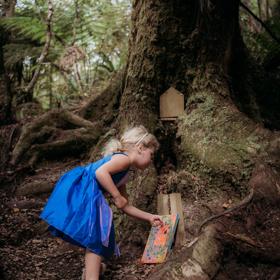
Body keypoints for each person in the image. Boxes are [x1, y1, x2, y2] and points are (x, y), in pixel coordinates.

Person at [40, 125, 163, 280]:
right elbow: (100, 172)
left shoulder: (125, 171)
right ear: (140, 148)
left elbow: (125, 206)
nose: (151, 160)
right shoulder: (123, 159)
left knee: (96, 238)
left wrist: (150, 217)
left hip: (86, 192)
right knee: (97, 238)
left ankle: (93, 271)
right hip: (82, 190)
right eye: (151, 155)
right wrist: (116, 195)